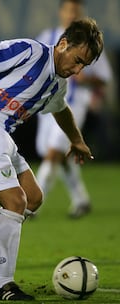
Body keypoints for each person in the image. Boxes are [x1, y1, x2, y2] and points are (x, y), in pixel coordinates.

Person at [0, 17, 103, 301]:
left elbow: (62, 109)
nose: (77, 69)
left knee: (32, 197)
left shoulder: (58, 85)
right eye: (77, 60)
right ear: (63, 44)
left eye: (84, 66)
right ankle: (1, 286)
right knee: (15, 201)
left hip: (0, 136)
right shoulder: (31, 52)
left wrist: (77, 140)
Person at [35, 0, 112, 218]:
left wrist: (87, 78)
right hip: (46, 105)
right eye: (68, 9)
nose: (71, 14)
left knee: (53, 154)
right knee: (61, 154)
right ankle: (81, 199)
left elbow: (104, 79)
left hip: (74, 104)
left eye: (75, 11)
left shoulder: (90, 43)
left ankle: (31, 204)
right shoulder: (47, 37)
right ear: (61, 12)